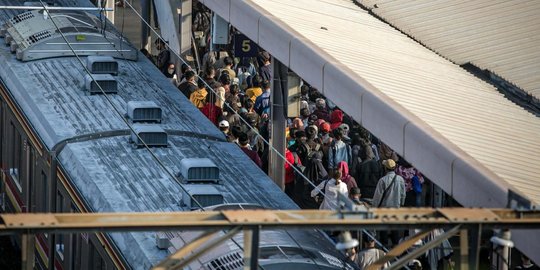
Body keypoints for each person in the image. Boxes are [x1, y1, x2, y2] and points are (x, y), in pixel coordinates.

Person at [372, 159, 405, 246]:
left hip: (384, 209)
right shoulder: (400, 179)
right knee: (395, 229)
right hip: (396, 208)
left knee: (384, 230)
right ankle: (395, 247)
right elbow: (403, 195)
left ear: (385, 168)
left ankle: (384, 247)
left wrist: (374, 207)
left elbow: (377, 197)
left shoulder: (382, 180)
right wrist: (401, 205)